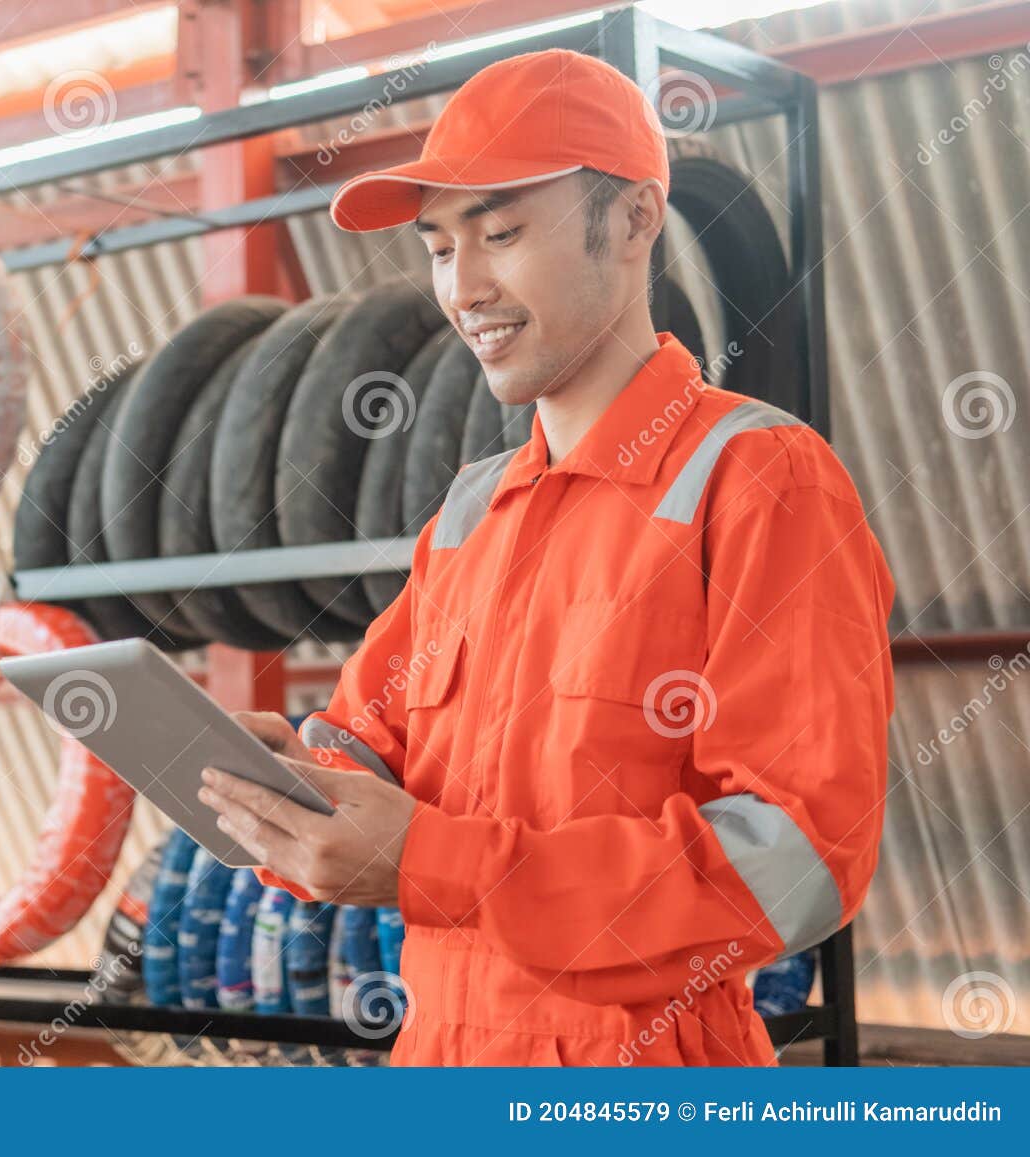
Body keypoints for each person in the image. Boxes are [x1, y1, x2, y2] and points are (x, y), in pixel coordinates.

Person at [198, 48, 896, 1066]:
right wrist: (298, 781)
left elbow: (800, 859)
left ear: (633, 222)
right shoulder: (472, 512)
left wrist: (434, 860)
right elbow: (367, 735)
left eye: (503, 233)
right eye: (439, 247)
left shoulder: (760, 479)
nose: (462, 287)